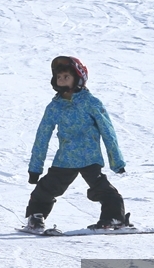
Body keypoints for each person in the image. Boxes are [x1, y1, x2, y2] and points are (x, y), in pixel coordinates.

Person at [22, 56, 131, 233]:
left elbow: (108, 132)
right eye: (59, 77)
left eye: (66, 76)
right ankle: (36, 218)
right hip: (66, 159)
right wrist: (35, 169)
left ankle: (114, 218)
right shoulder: (54, 107)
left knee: (102, 189)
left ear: (79, 78)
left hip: (90, 157)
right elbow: (42, 137)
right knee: (46, 188)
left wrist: (117, 162)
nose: (61, 80)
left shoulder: (91, 103)